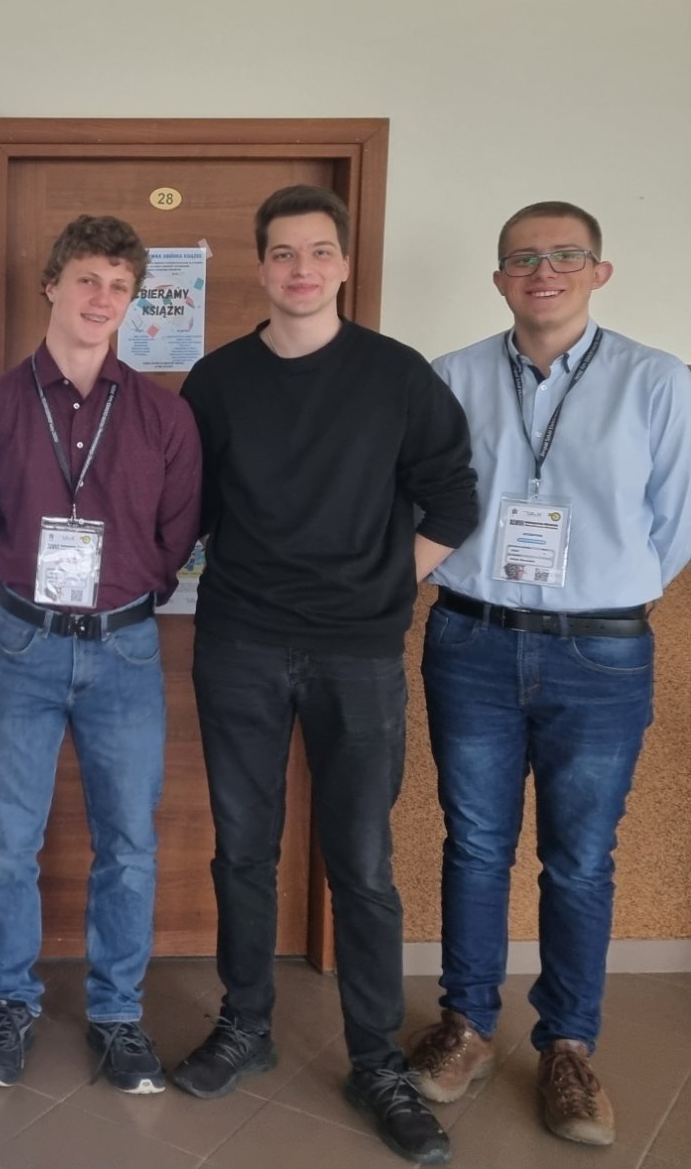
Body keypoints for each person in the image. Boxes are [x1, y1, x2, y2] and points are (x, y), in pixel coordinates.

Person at [171, 185, 478, 1166]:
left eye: (316, 252)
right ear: (259, 267)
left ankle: (375, 1062)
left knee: (362, 865)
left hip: (358, 653)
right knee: (242, 850)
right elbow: (184, 511)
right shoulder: (217, 381)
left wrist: (388, 585)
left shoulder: (397, 376)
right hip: (240, 645)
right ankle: (245, 1025)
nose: (299, 269)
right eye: (281, 253)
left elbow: (453, 498)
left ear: (343, 264)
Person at [406, 202, 690, 1147]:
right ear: (499, 279)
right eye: (523, 259)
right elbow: (423, 501)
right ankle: (466, 1026)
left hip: (600, 652)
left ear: (599, 272)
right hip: (472, 641)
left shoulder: (659, 383)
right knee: (475, 845)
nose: (545, 272)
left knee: (580, 859)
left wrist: (600, 594)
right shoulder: (450, 379)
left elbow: (676, 524)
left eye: (567, 255)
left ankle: (568, 1046)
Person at [0, 215, 202, 1095]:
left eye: (119, 286)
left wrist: (125, 594)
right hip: (20, 644)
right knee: (6, 842)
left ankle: (118, 1015)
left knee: (129, 843)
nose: (102, 298)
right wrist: (37, 596)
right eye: (87, 279)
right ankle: (10, 1006)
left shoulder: (165, 418)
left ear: (133, 302)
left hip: (125, 651)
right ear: (52, 284)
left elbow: (177, 537)